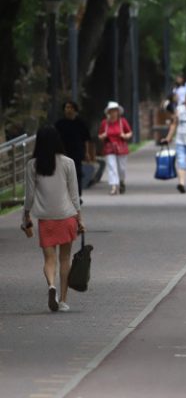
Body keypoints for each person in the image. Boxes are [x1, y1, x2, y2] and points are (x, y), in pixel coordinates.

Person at [23, 126, 84, 312]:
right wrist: (80, 218)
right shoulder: (68, 163)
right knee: (65, 259)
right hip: (67, 216)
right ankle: (63, 300)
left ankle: (51, 286)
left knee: (49, 260)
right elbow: (74, 194)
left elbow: (29, 196)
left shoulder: (32, 165)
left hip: (46, 219)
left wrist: (26, 215)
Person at [55, 101, 92, 197]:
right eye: (67, 107)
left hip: (77, 152)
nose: (68, 110)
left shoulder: (80, 123)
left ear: (75, 110)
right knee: (64, 174)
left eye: (71, 107)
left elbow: (86, 139)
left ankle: (77, 194)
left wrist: (87, 152)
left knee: (77, 173)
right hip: (63, 152)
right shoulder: (59, 124)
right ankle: (65, 195)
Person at [98, 101, 132, 195]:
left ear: (118, 112)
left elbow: (129, 132)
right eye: (111, 111)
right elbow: (100, 135)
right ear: (108, 112)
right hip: (109, 147)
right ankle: (113, 186)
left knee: (122, 168)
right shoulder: (105, 123)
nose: (113, 113)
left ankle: (121, 181)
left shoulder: (122, 121)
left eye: (114, 110)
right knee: (112, 167)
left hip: (121, 147)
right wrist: (103, 136)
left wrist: (125, 136)